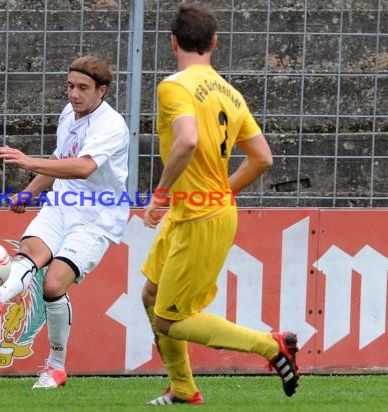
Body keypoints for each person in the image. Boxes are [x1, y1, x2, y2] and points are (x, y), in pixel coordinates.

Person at [140, 3, 299, 405]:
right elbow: (262, 158)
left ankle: (270, 345)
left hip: (198, 217)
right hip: (196, 210)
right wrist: (221, 191)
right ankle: (182, 389)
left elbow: (187, 140)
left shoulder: (173, 85)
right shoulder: (230, 92)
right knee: (150, 294)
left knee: (170, 320)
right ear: (214, 42)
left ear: (173, 41)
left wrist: (159, 194)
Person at [0, 55, 130, 389]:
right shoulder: (69, 114)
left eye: (83, 88)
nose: (74, 94)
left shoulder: (111, 126)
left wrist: (27, 162)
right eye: (70, 86)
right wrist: (29, 193)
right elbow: (60, 157)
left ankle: (56, 366)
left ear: (102, 90)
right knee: (30, 254)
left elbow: (84, 167)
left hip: (97, 216)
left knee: (53, 285)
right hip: (61, 204)